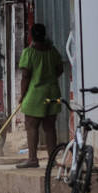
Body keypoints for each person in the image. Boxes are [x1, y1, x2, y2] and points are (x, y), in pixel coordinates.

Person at [13, 23, 67, 169]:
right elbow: (60, 69)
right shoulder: (52, 51)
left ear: (31, 36)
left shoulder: (29, 53)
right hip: (52, 92)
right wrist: (50, 79)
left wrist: (22, 95)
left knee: (31, 126)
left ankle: (32, 159)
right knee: (50, 128)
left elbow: (25, 76)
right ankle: (52, 160)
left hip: (35, 94)